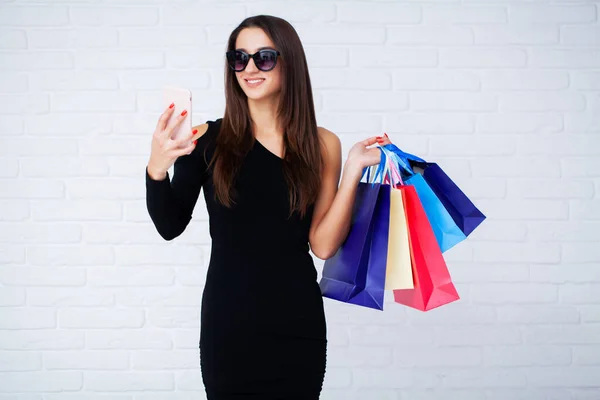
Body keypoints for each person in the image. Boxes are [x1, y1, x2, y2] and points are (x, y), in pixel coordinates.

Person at [145, 15, 388, 400]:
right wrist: (157, 169)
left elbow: (323, 246)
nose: (250, 68)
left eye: (264, 57)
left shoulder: (323, 144)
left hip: (298, 325)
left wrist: (354, 168)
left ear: (289, 61)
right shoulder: (207, 140)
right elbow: (169, 225)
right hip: (229, 326)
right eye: (239, 58)